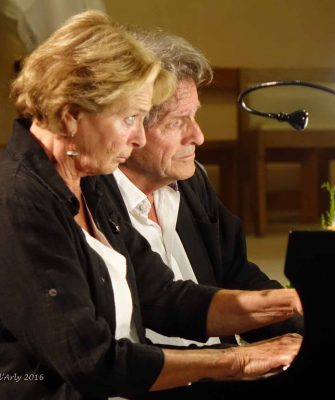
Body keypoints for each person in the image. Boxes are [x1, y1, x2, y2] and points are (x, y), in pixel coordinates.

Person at [0, 10, 302, 400]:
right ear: (71, 114)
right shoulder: (17, 202)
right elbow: (89, 361)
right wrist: (237, 360)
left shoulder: (88, 183)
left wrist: (291, 303)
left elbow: (163, 296)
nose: (138, 139)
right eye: (130, 118)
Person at [101, 28, 304, 347]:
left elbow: (236, 274)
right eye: (176, 122)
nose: (198, 136)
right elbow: (158, 306)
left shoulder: (191, 181)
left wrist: (304, 327)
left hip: (218, 365)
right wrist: (235, 362)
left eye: (194, 116)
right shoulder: (92, 201)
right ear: (130, 126)